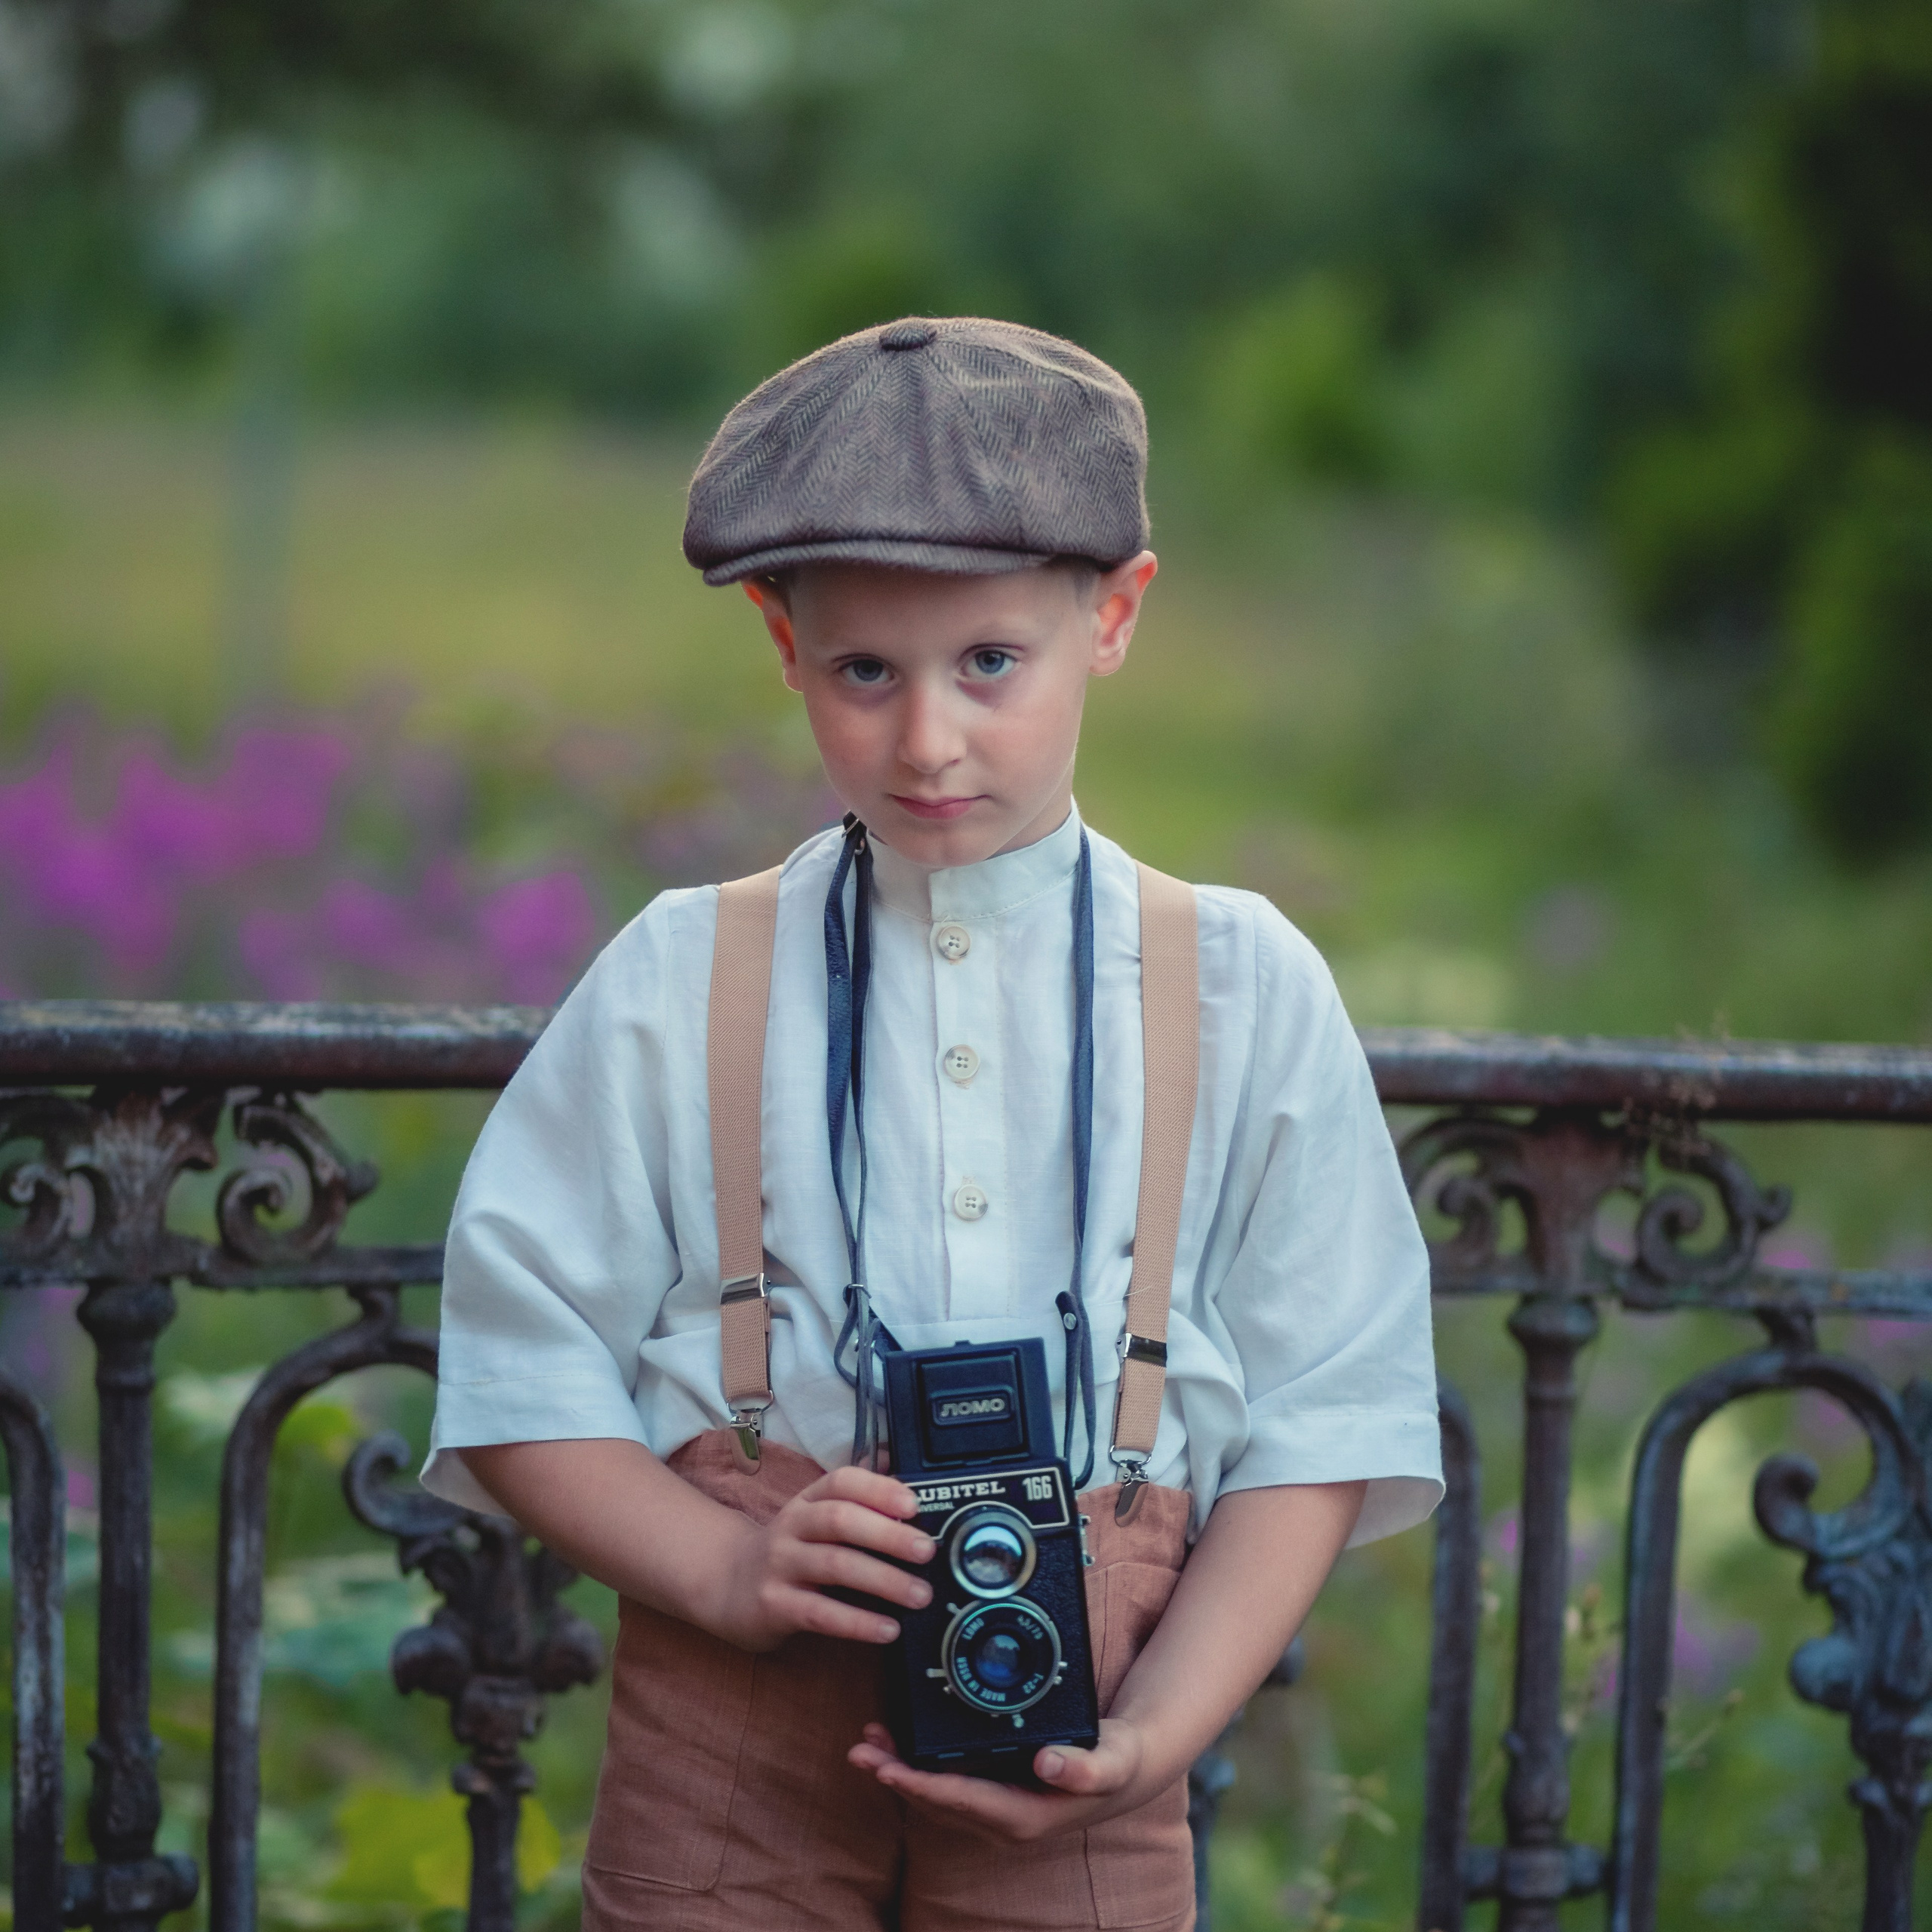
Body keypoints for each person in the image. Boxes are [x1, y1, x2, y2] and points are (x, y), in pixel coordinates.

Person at [422, 315, 1442, 1932]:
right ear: (781, 642)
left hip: (1097, 1720)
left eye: (987, 662)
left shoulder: (1238, 980)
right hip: (735, 1700)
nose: (925, 739)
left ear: (1112, 614)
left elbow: (1329, 1411)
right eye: (862, 671)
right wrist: (720, 1569)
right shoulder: (685, 969)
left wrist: (1156, 1729)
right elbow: (512, 1356)